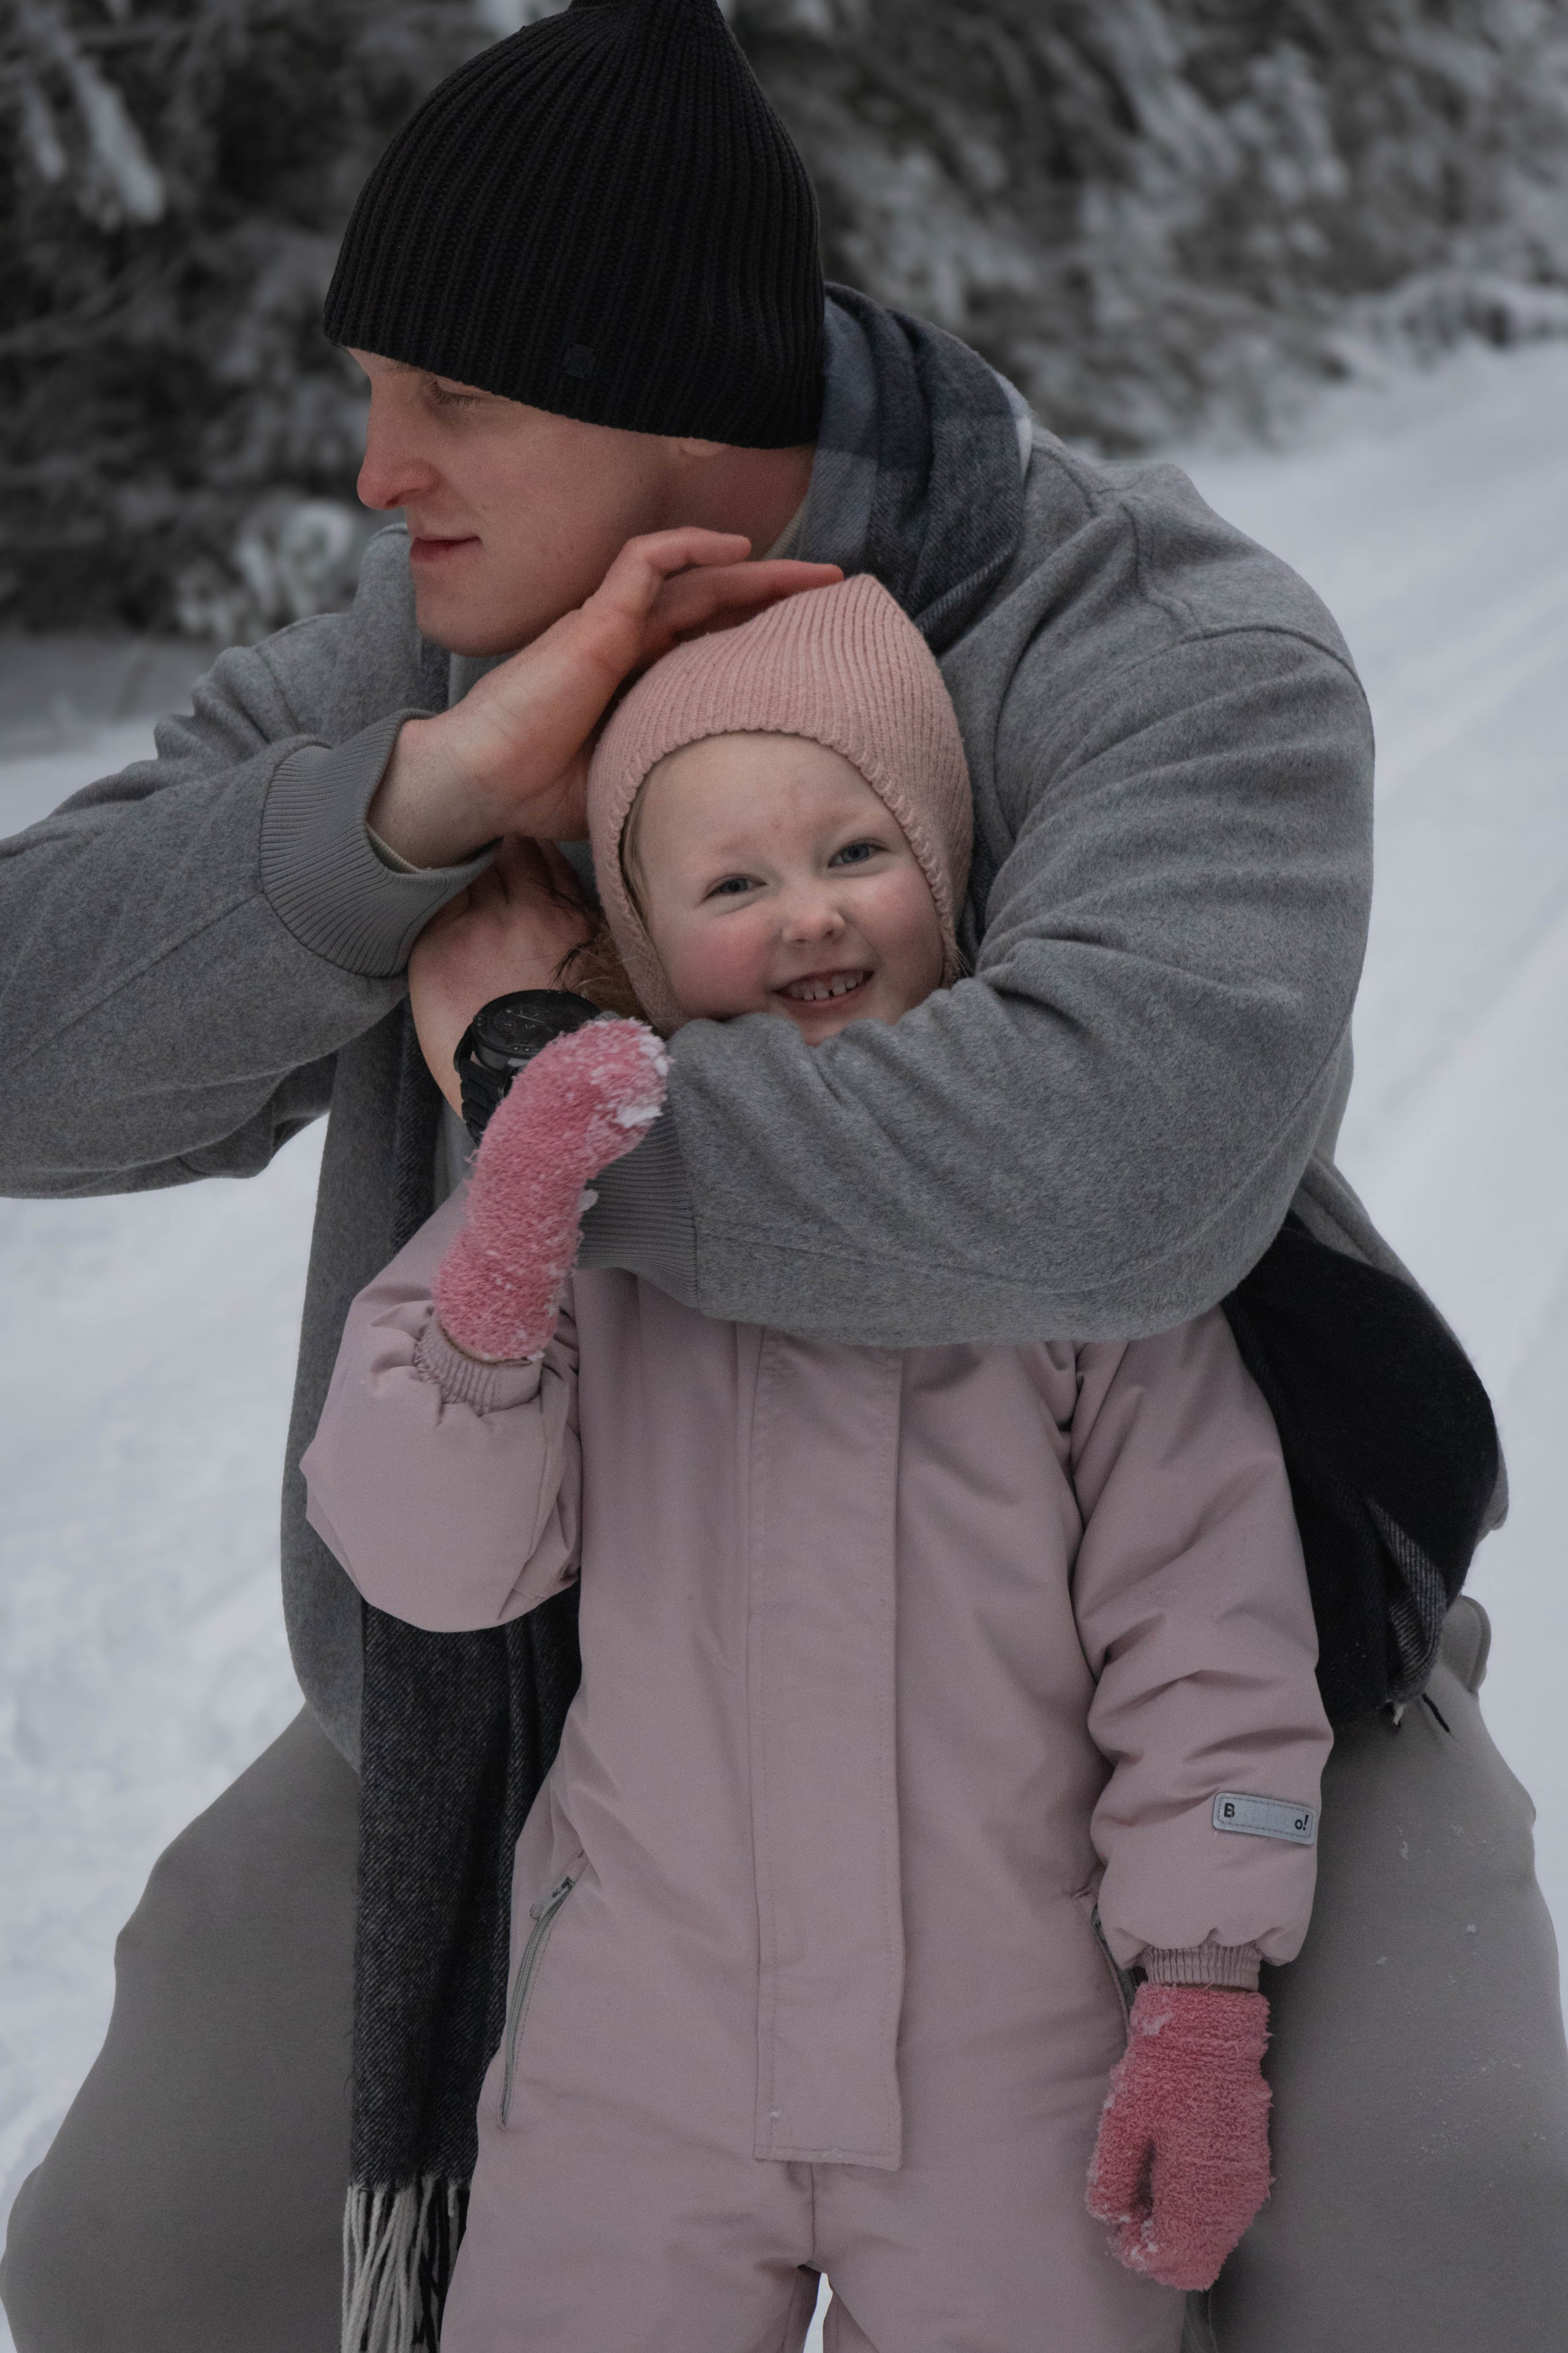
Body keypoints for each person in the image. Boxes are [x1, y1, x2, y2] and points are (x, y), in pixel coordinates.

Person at [1, 2, 1564, 2349]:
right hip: (562, 1705)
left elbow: (1102, 1175)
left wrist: (531, 1071)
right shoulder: (426, 653)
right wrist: (412, 815)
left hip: (1177, 1685)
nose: (374, 473)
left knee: (1460, 2237)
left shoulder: (1165, 648)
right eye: (371, 390)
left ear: (689, 412)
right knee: (141, 2251)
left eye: (452, 399)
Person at [301, 572, 1336, 2353]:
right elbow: (433, 1559)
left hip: (1011, 2054)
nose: (805, 917)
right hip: (640, 2034)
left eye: (854, 848)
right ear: (638, 930)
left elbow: (1208, 1620)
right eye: (729, 881)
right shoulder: (568, 1222)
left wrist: (1206, 1984)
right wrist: (500, 1261)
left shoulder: (1063, 1231)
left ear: (944, 875)